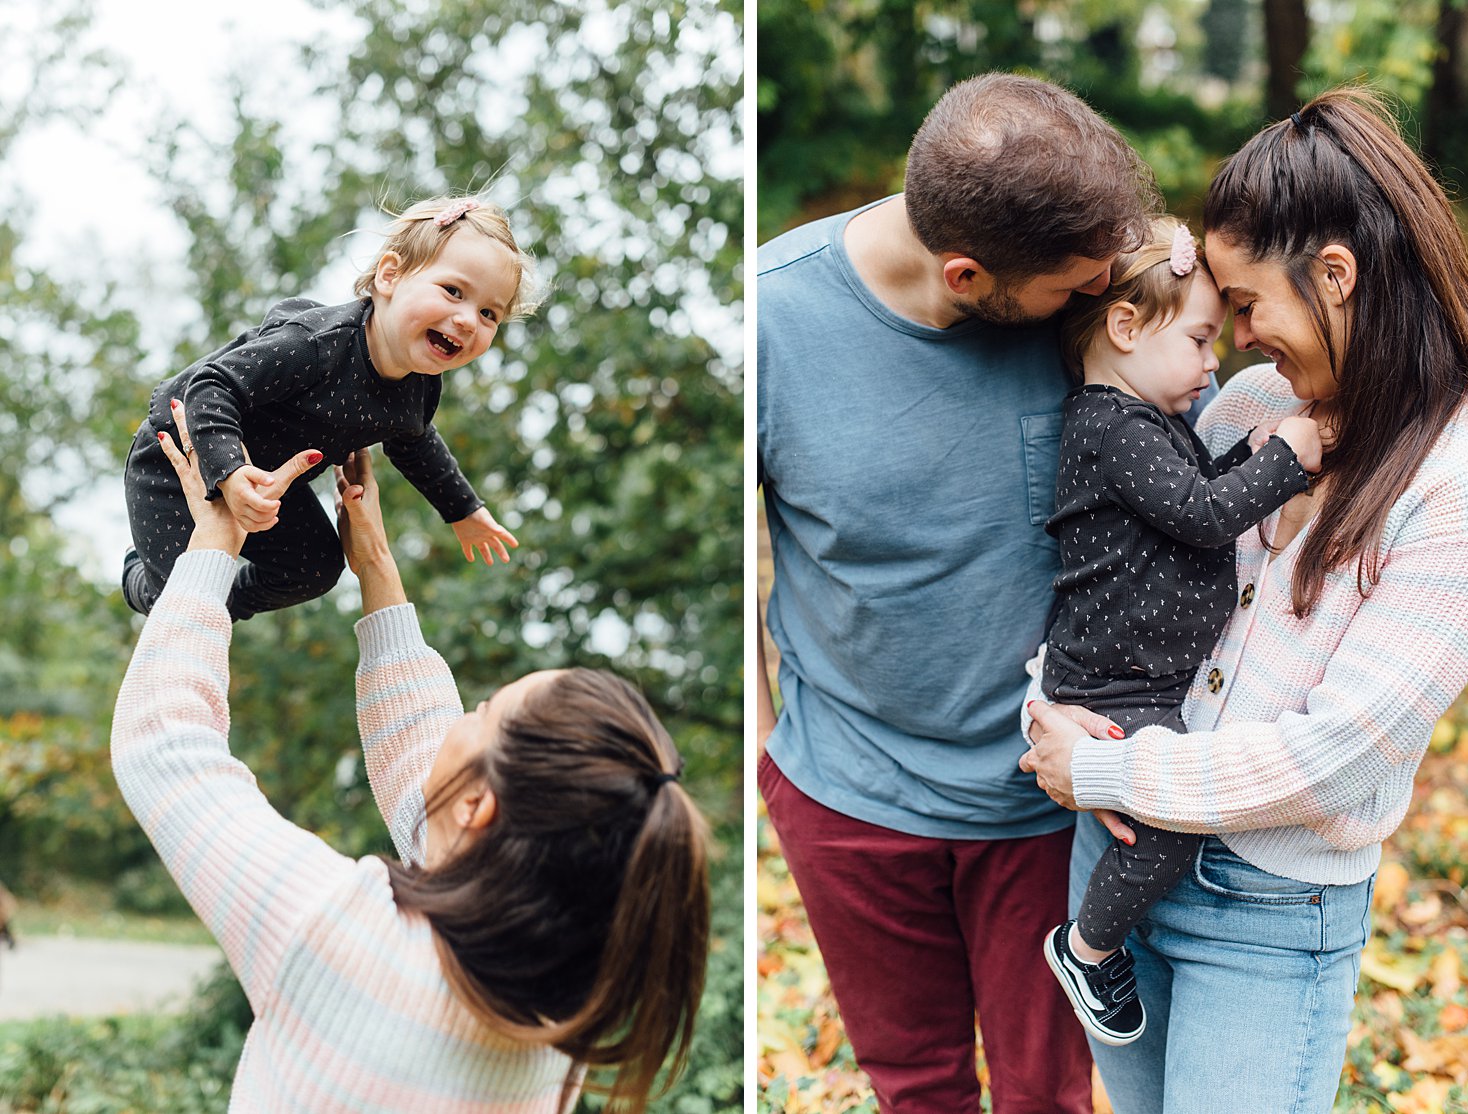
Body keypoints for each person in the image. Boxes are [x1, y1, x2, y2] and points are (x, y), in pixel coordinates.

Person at [1020, 86, 1468, 1113]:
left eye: (1246, 305)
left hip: (1264, 910)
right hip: (1119, 857)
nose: (1233, 339)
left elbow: (1337, 754)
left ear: (1336, 276)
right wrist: (1048, 704)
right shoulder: (1251, 407)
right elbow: (1108, 569)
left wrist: (1101, 761)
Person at [111, 406, 711, 1113]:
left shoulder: (339, 935)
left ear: (480, 806)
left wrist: (213, 543)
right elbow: (432, 787)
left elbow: (164, 745)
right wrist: (375, 566)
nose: (464, 715)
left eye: (484, 712)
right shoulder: (557, 1027)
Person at [757, 71, 1160, 1112]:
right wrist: (769, 763)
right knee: (918, 1090)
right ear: (968, 272)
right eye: (1078, 287)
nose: (1100, 299)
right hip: (848, 803)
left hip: (1039, 800)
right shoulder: (766, 323)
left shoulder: (1083, 303)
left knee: (1048, 1094)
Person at [1036, 217, 1323, 1046]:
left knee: (1154, 817)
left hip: (1143, 675)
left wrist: (1251, 457)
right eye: (1199, 339)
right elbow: (1202, 518)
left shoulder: (1147, 426)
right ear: (1125, 328)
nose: (1214, 360)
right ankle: (1086, 949)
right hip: (1115, 683)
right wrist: (1288, 458)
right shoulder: (1112, 426)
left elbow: (1192, 496)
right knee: (1165, 824)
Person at [121, 195, 537, 621]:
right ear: (390, 276)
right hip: (178, 455)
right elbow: (212, 385)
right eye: (453, 291)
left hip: (270, 483)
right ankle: (142, 576)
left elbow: (416, 442)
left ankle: (222, 607)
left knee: (314, 569)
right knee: (175, 602)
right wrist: (228, 472)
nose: (469, 320)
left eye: (489, 313)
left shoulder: (422, 387)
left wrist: (463, 510)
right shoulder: (316, 345)